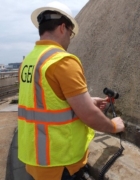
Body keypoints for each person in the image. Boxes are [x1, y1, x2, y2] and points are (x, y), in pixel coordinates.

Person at [18, 1, 125, 180]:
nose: (69, 38)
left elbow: (43, 102)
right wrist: (114, 126)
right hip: (61, 163)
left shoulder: (28, 62)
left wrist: (87, 101)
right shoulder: (63, 61)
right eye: (70, 32)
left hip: (35, 159)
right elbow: (89, 116)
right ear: (62, 28)